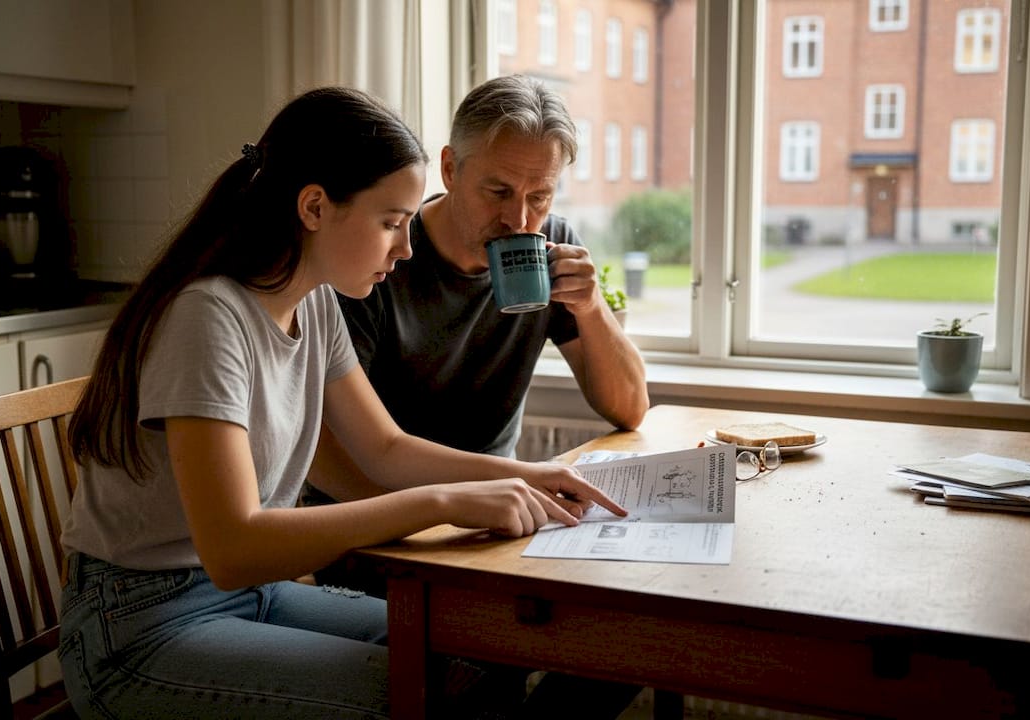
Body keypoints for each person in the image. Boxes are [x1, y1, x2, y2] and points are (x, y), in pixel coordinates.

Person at [57, 86, 626, 720]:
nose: (407, 247)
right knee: (421, 695)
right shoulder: (207, 317)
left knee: (476, 661)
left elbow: (385, 449)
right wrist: (440, 501)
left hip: (249, 596)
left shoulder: (317, 302)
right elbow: (233, 548)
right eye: (391, 222)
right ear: (315, 207)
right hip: (139, 621)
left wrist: (533, 474)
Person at [303, 73, 649, 509]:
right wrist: (429, 519)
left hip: (495, 502)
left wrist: (591, 307)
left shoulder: (551, 248)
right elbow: (326, 450)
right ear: (450, 169)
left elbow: (630, 409)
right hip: (374, 513)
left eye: (539, 197)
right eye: (498, 191)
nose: (519, 220)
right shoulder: (376, 259)